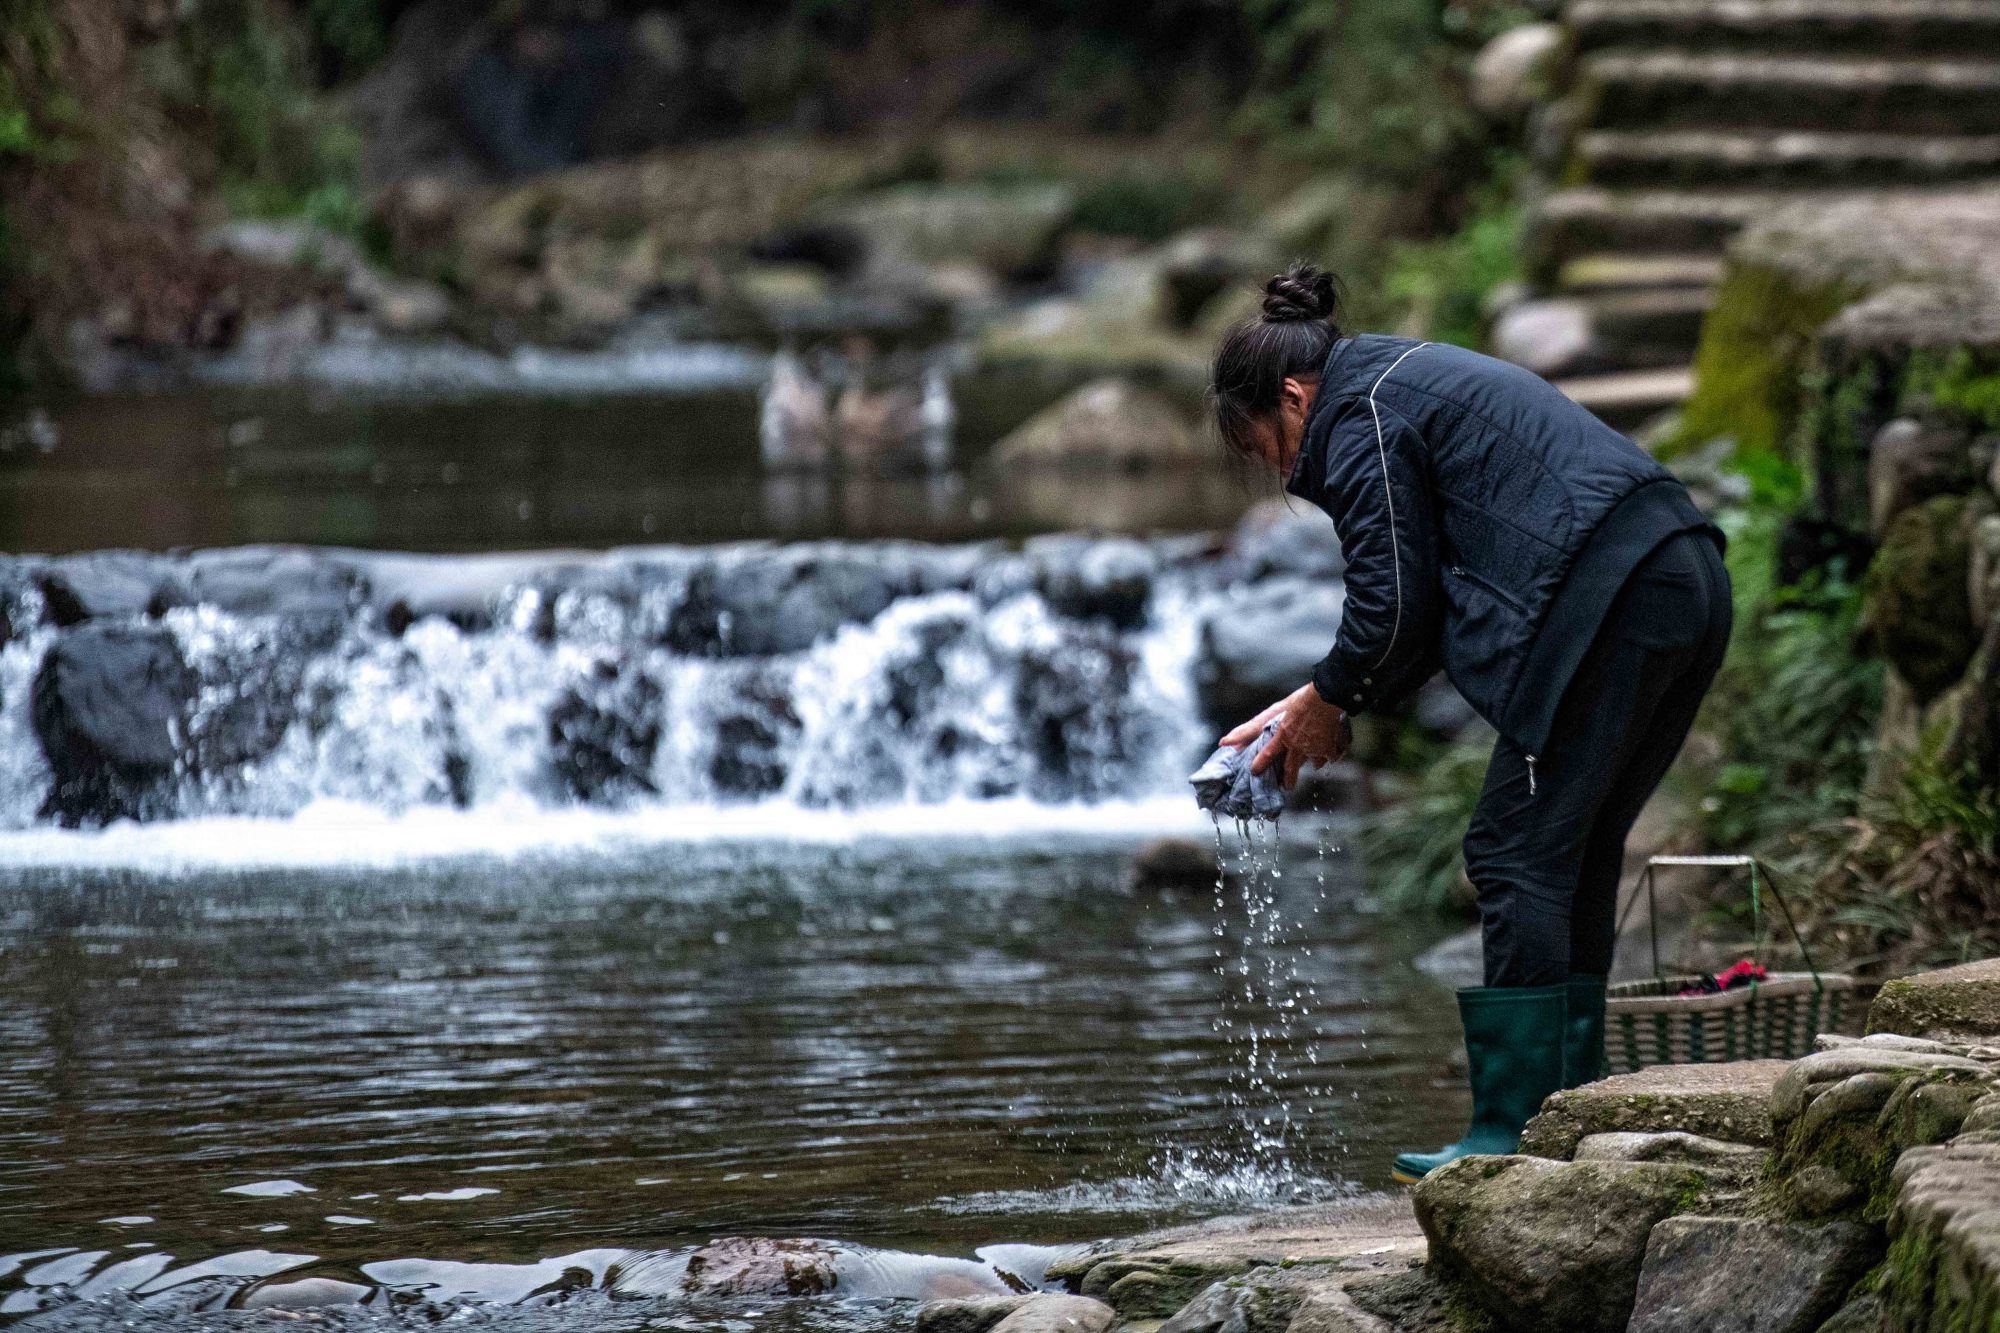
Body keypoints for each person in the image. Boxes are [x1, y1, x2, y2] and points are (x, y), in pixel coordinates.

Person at [1211, 263, 1730, 1184]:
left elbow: (1393, 602)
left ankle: (1514, 1134)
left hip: (1607, 595)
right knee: (1574, 842)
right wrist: (1316, 700)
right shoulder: (1394, 377)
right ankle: (1571, 1109)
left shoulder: (1357, 416)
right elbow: (1408, 613)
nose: (1287, 474)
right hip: (1679, 571)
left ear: (1294, 398)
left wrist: (1331, 701)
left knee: (1513, 851)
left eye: (1271, 450)